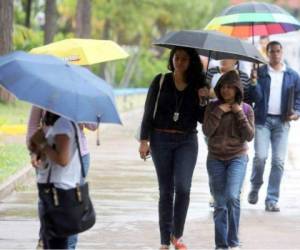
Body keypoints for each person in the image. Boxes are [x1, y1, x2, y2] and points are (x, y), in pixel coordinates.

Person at [138, 46, 208, 250]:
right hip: (160, 140)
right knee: (166, 191)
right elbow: (148, 111)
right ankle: (163, 241)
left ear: (191, 62)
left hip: (187, 141)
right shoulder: (161, 81)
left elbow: (202, 120)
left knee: (184, 188)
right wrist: (144, 140)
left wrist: (204, 100)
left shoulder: (198, 85)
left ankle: (176, 234)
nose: (179, 62)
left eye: (184, 59)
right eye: (177, 58)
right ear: (172, 59)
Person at [27, 106, 97, 249]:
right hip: (49, 171)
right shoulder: (55, 122)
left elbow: (62, 159)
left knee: (67, 212)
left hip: (63, 174)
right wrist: (35, 150)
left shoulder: (63, 124)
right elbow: (34, 129)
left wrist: (42, 144)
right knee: (51, 212)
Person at [202, 70, 254, 250]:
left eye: (230, 87)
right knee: (220, 202)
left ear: (237, 89)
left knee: (232, 196)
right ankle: (221, 245)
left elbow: (249, 135)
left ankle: (233, 242)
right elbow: (207, 131)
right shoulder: (212, 107)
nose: (226, 90)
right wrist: (219, 111)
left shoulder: (247, 108)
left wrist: (238, 113)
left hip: (237, 158)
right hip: (215, 158)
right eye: (223, 87)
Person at [247, 41, 300, 212]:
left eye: (278, 51)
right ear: (267, 53)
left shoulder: (292, 75)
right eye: (272, 52)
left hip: (283, 122)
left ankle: (271, 199)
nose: (275, 54)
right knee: (260, 157)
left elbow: (299, 98)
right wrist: (253, 82)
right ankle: (255, 187)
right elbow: (255, 97)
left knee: (278, 162)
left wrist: (296, 112)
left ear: (282, 52)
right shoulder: (260, 73)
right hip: (263, 120)